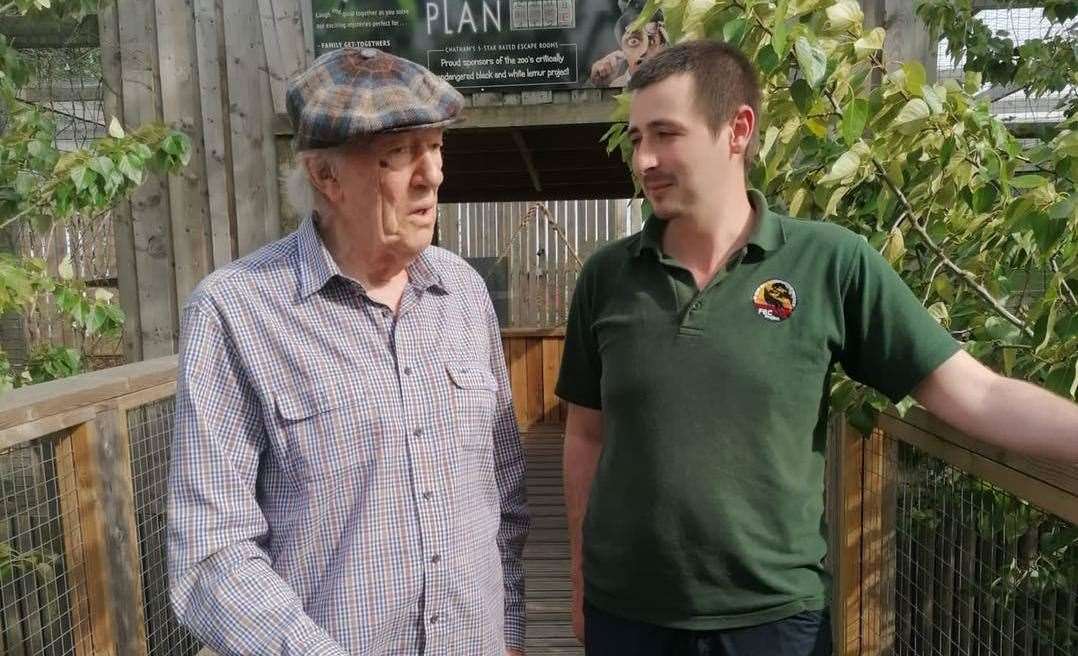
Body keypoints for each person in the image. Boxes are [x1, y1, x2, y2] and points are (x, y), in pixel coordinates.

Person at [557, 39, 1078, 656]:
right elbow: (586, 434)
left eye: (665, 134)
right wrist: (580, 576)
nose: (643, 159)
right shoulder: (607, 276)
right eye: (638, 136)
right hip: (627, 616)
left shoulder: (830, 263)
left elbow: (975, 391)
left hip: (774, 621)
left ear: (738, 130)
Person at [168, 47, 529, 656]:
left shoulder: (463, 293)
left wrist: (511, 628)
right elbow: (211, 551)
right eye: (399, 156)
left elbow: (504, 490)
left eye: (436, 148)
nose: (432, 175)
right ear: (325, 177)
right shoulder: (237, 311)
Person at [589, 1, 668, 87]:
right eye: (634, 41)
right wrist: (596, 85)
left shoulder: (674, 85)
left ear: (663, 43)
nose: (644, 51)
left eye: (652, 40)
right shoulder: (612, 86)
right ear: (623, 49)